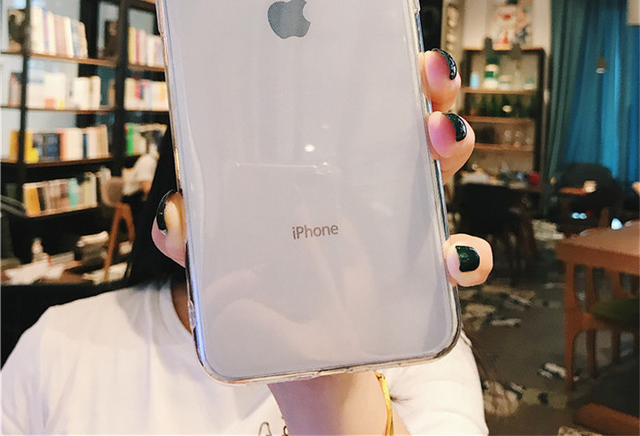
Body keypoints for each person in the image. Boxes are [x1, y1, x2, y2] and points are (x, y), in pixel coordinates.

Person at [2, 49, 493, 435]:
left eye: (307, 178)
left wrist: (332, 388)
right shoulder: (57, 349)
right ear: (185, 163)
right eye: (259, 173)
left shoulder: (420, 351)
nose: (288, 213)